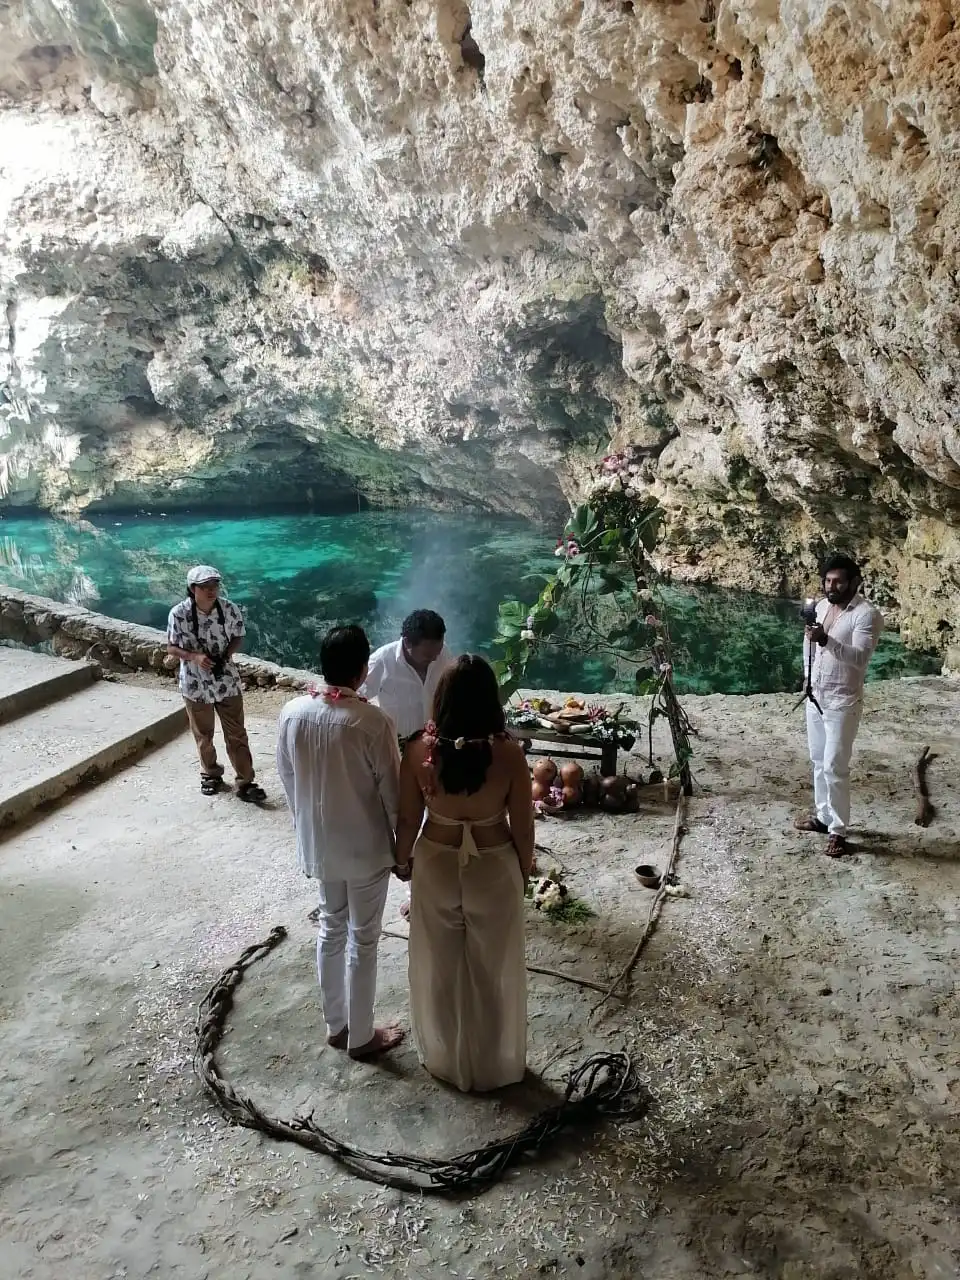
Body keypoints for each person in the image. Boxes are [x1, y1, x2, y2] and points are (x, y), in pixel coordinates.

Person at [395, 654, 535, 1092]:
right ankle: (493, 1062)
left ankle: (446, 1057)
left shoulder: (419, 749)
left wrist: (402, 861)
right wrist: (524, 871)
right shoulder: (509, 753)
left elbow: (407, 819)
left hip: (436, 862)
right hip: (493, 864)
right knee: (493, 965)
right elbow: (523, 824)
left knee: (440, 964)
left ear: (442, 700)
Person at [276, 625, 405, 1059]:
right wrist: (402, 849)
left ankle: (337, 1024)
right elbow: (392, 793)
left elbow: (288, 776)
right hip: (365, 849)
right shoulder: (372, 721)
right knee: (363, 938)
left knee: (331, 928)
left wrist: (307, 825)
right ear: (362, 670)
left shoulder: (292, 712)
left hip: (319, 845)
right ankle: (363, 1036)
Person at [362, 609, 454, 917]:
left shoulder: (443, 656)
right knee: (405, 818)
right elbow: (356, 699)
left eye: (436, 653)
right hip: (398, 754)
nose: (432, 660)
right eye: (427, 655)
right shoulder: (383, 662)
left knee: (438, 818)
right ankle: (414, 890)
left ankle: (438, 886)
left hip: (437, 750)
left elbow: (453, 694)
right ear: (407, 643)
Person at [795, 552, 883, 857]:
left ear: (854, 583)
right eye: (828, 581)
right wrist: (807, 677)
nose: (831, 587)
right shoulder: (820, 607)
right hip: (816, 696)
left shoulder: (866, 614)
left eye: (838, 581)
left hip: (843, 702)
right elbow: (809, 643)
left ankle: (838, 830)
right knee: (818, 760)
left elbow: (860, 658)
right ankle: (823, 817)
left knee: (835, 766)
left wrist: (825, 641)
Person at [166, 565, 266, 803]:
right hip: (195, 683)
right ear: (193, 589)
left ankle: (245, 781)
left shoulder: (228, 609)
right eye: (206, 587)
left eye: (215, 586)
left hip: (227, 681)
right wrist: (194, 657)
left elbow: (238, 635)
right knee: (203, 734)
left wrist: (225, 656)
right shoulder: (178, 614)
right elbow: (171, 646)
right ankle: (210, 774)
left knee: (237, 733)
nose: (212, 591)